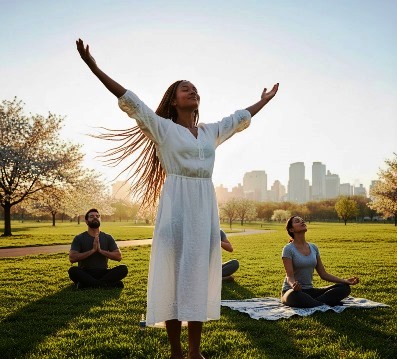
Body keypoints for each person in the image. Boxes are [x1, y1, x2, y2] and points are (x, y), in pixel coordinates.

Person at [76, 38, 278, 359]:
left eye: (195, 89)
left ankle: (194, 352)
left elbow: (240, 118)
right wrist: (94, 67)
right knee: (172, 275)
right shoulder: (162, 129)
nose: (193, 92)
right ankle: (175, 352)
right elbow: (131, 100)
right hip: (175, 206)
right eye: (186, 88)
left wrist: (263, 100)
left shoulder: (211, 131)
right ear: (173, 100)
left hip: (204, 206)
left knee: (197, 276)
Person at [281, 216, 359, 308]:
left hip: (309, 291)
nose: (302, 222)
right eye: (297, 221)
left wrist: (345, 281)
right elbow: (289, 276)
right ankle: (325, 303)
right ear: (291, 229)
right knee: (296, 296)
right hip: (292, 291)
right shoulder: (288, 249)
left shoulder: (313, 247)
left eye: (302, 220)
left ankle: (315, 303)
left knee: (344, 288)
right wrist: (293, 285)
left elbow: (323, 274)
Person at [68, 208, 128, 289]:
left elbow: (118, 256)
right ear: (86, 221)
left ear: (100, 219)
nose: (95, 217)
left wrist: (100, 251)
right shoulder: (79, 238)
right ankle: (107, 284)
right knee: (73, 271)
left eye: (97, 216)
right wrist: (92, 250)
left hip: (103, 272)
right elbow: (72, 258)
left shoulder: (108, 237)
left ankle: (87, 284)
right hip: (85, 272)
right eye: (91, 216)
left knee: (123, 269)